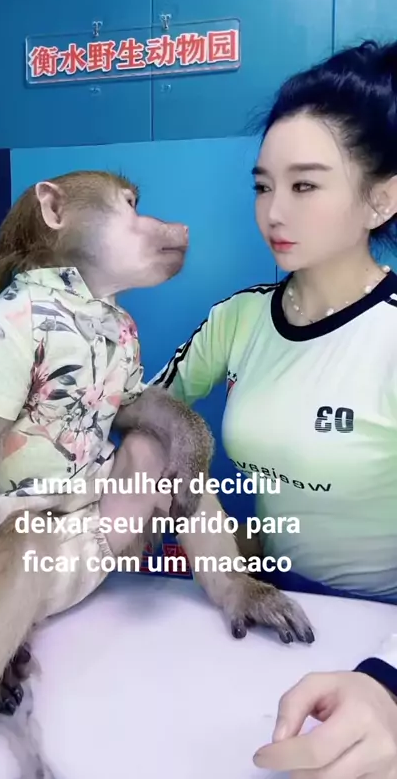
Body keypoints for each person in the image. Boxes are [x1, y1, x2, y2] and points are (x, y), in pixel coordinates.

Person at [150, 39, 397, 777]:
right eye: (263, 186)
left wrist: (387, 682)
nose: (273, 212)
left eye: (305, 186)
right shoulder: (238, 319)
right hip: (269, 602)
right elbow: (144, 412)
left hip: (380, 626)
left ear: (381, 199)